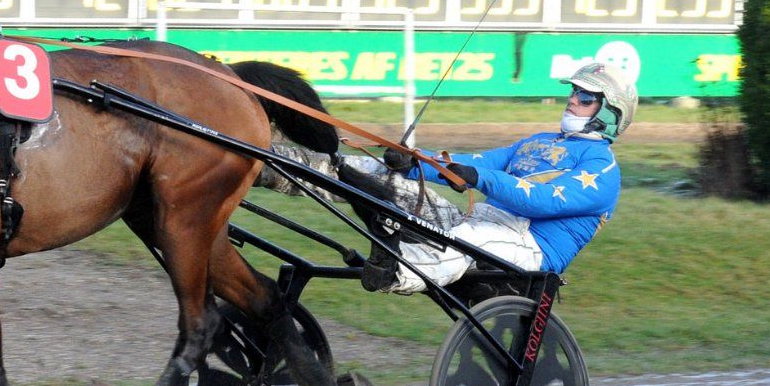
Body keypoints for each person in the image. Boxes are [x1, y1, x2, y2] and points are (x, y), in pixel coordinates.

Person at [260, 62, 635, 295]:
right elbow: (475, 162)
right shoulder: (540, 141)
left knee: (461, 239)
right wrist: (413, 164)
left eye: (586, 98)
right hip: (482, 220)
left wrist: (479, 179)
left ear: (609, 113)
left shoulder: (602, 169)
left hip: (530, 248)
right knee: (384, 179)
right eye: (574, 92)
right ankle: (274, 164)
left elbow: (542, 200)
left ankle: (393, 271)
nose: (572, 100)